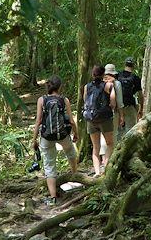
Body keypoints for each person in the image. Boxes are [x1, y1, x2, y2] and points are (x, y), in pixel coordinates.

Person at [32, 75, 78, 206]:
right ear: (60, 86)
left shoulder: (42, 100)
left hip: (46, 137)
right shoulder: (64, 100)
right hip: (63, 135)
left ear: (48, 86)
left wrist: (34, 139)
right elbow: (70, 120)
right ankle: (75, 176)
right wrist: (76, 133)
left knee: (49, 165)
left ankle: (52, 198)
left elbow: (38, 121)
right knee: (70, 151)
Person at [83, 65, 116, 177]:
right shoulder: (109, 86)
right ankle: (105, 168)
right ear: (103, 74)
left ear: (93, 74)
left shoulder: (87, 87)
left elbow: (85, 101)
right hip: (105, 118)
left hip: (91, 119)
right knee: (110, 144)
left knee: (95, 147)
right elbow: (113, 104)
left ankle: (97, 172)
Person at [99, 64, 125, 169]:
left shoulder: (100, 82)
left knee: (102, 137)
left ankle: (102, 161)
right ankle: (108, 162)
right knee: (112, 137)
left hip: (99, 115)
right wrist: (122, 115)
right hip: (112, 113)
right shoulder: (116, 83)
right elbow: (119, 102)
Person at [117, 57, 144, 140]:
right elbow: (140, 95)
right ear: (133, 66)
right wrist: (141, 108)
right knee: (130, 128)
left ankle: (117, 148)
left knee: (118, 130)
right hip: (129, 105)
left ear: (125, 64)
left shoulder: (118, 75)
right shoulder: (135, 78)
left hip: (117, 106)